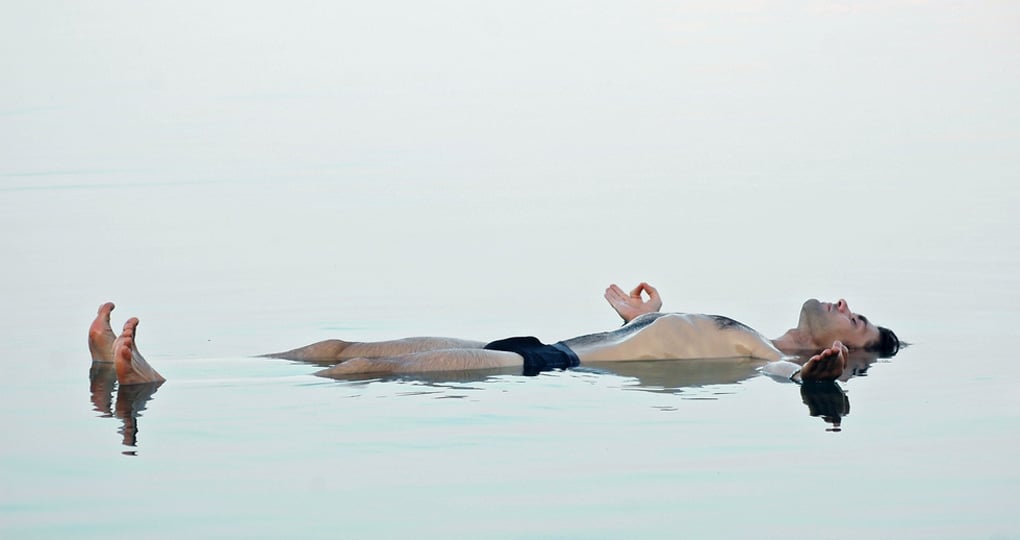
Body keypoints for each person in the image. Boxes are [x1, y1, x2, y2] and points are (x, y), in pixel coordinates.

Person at [87, 283, 900, 386]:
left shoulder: (766, 356)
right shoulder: (746, 330)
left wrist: (817, 375)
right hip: (540, 342)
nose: (844, 304)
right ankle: (188, 363)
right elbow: (663, 342)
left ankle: (154, 381)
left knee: (367, 368)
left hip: (549, 366)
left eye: (856, 319)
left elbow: (785, 380)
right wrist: (638, 315)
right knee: (339, 346)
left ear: (850, 348)